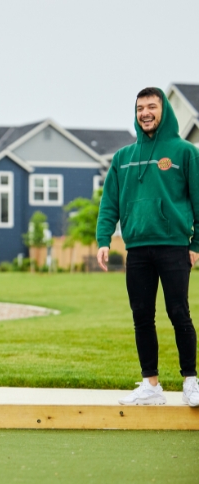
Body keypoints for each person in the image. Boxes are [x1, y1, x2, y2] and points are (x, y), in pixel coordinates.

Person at [97, 87, 199, 407]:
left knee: (178, 312)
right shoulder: (122, 157)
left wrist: (196, 243)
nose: (145, 113)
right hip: (137, 248)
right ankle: (150, 384)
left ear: (163, 110)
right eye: (140, 108)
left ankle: (191, 381)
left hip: (173, 246)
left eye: (151, 107)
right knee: (142, 315)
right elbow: (109, 202)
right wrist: (103, 239)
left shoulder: (185, 152)